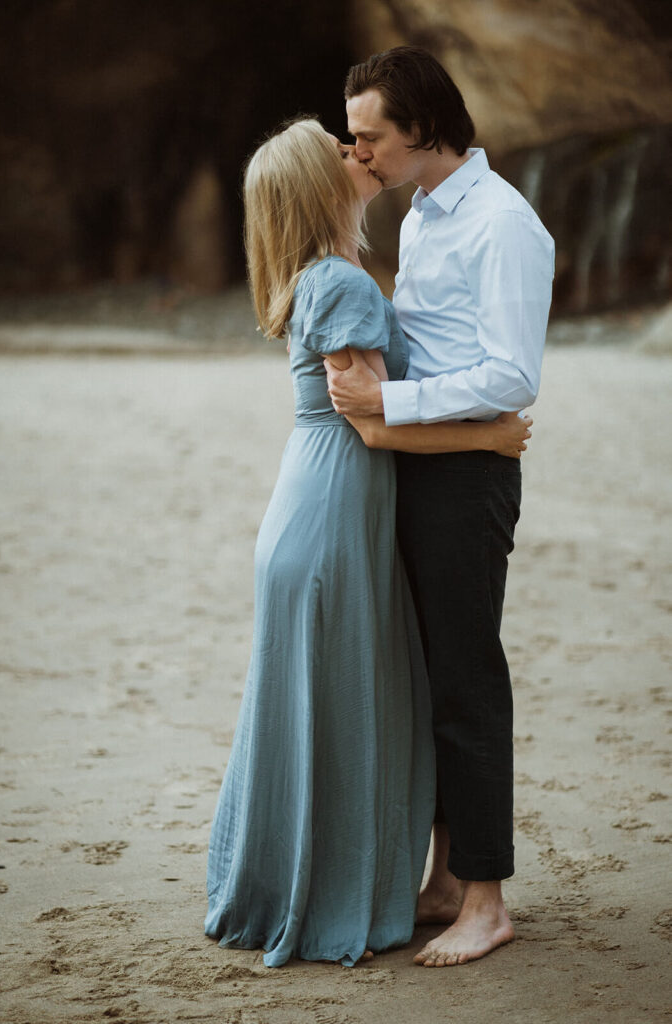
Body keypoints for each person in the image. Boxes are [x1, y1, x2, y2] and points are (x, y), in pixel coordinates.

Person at [205, 117, 533, 968]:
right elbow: (374, 425)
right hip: (335, 507)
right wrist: (490, 439)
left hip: (311, 501)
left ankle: (329, 882)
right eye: (339, 148)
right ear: (320, 183)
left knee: (313, 707)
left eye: (359, 138)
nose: (357, 153)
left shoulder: (317, 276)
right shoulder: (343, 285)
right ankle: (339, 893)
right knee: (341, 705)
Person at [325, 46, 555, 967]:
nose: (358, 152)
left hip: (466, 477)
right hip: (419, 463)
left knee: (465, 679)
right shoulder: (419, 215)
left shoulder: (503, 224)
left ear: (421, 127)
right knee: (425, 678)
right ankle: (446, 875)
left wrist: (389, 404)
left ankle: (488, 901)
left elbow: (510, 374)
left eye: (369, 135)